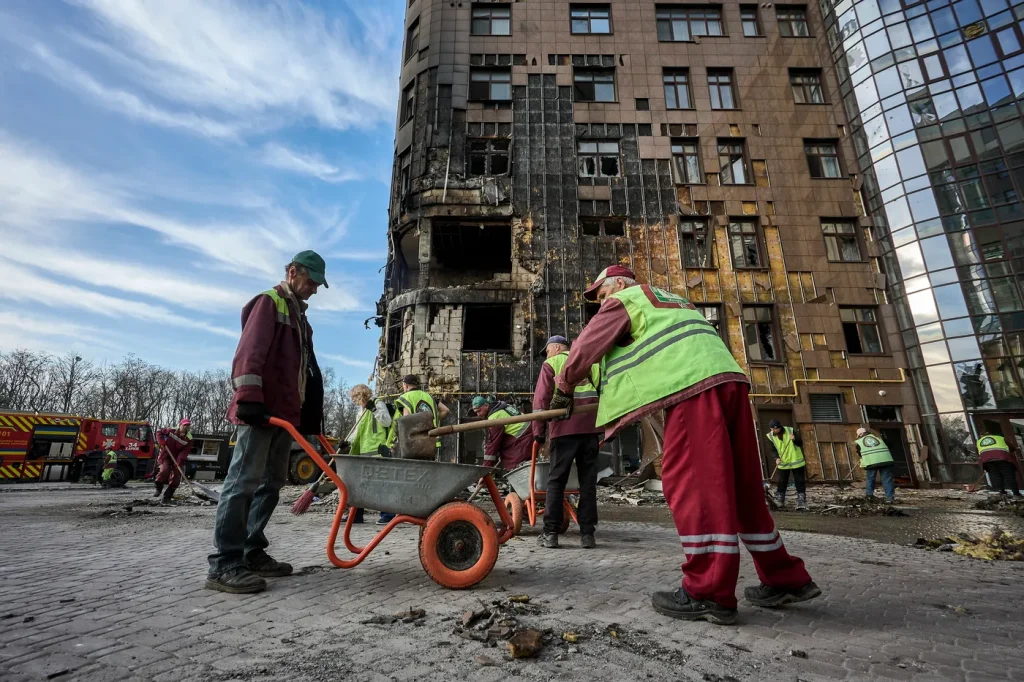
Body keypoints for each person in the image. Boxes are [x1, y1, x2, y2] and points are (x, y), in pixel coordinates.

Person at [549, 265, 818, 624]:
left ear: (618, 284)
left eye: (601, 294)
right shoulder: (673, 301)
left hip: (693, 389)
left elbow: (585, 346)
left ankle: (709, 592)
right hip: (729, 381)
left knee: (694, 487)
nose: (600, 303)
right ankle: (784, 577)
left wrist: (565, 386)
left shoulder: (626, 299)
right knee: (742, 488)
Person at [206, 250, 327, 594]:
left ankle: (250, 549)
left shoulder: (300, 318)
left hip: (284, 415)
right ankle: (224, 563)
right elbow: (249, 352)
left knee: (271, 483)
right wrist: (248, 399)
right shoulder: (269, 303)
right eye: (312, 281)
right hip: (260, 411)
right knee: (242, 482)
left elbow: (303, 371)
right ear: (292, 272)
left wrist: (307, 413)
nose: (315, 289)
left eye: (318, 285)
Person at [532, 335, 602, 549]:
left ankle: (551, 533)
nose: (547, 355)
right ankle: (587, 535)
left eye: (547, 351)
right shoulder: (591, 362)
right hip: (590, 430)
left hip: (563, 431)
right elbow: (606, 394)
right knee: (587, 484)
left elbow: (541, 400)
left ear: (556, 347)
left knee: (556, 481)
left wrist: (538, 432)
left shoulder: (552, 364)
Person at [389, 374, 449, 524]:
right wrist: (432, 423)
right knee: (426, 479)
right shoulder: (429, 397)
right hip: (431, 443)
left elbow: (406, 421)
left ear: (405, 385)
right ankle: (427, 511)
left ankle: (411, 513)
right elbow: (445, 411)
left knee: (410, 479)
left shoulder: (406, 397)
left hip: (414, 445)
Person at [343, 384, 396, 523]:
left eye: (355, 398)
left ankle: (387, 515)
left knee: (381, 484)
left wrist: (374, 410)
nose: (355, 401)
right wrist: (347, 442)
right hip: (364, 452)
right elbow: (357, 431)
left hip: (378, 451)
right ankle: (356, 515)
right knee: (359, 484)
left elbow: (387, 422)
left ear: (361, 395)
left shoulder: (378, 404)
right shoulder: (360, 412)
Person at [471, 395, 532, 471]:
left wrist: (485, 469)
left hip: (523, 440)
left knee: (516, 467)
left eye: (479, 411)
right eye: (476, 412)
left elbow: (493, 445)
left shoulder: (494, 417)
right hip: (529, 433)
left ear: (486, 406)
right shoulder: (503, 406)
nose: (478, 414)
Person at [766, 419, 807, 510]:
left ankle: (801, 501)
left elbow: (800, 443)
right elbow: (772, 449)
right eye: (772, 429)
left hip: (796, 460)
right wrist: (776, 458)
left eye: (776, 429)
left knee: (799, 481)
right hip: (783, 461)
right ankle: (780, 500)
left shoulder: (790, 431)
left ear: (780, 427)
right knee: (782, 481)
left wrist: (794, 439)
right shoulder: (770, 436)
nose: (774, 431)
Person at [154, 419, 193, 503]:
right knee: (164, 470)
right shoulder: (171, 430)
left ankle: (167, 497)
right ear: (180, 425)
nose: (186, 427)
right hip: (166, 455)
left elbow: (185, 451)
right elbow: (158, 432)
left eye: (188, 426)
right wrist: (161, 441)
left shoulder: (189, 438)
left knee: (176, 478)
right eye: (184, 425)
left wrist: (179, 461)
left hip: (177, 458)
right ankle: (159, 488)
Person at [853, 427, 896, 503]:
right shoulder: (879, 438)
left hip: (871, 462)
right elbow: (890, 445)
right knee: (887, 479)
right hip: (885, 460)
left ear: (860, 434)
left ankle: (869, 496)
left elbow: (860, 454)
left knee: (870, 479)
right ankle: (890, 498)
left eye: (859, 435)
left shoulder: (859, 442)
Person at [976, 430, 1022, 497]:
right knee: (1009, 476)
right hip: (1002, 458)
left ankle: (1001, 492)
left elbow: (978, 452)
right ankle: (1016, 494)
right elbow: (1012, 448)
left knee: (996, 476)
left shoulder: (979, 441)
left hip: (987, 460)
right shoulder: (1000, 438)